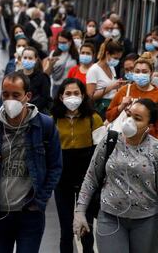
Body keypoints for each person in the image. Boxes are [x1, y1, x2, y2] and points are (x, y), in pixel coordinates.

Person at [0, 71, 62, 253]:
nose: (10, 99)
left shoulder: (44, 126)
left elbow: (55, 166)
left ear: (27, 96)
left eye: (16, 95)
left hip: (29, 214)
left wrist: (41, 200)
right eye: (5, 94)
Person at [73, 99, 158, 253]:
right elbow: (91, 178)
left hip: (147, 221)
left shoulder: (157, 149)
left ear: (149, 126)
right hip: (110, 217)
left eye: (137, 118)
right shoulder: (109, 141)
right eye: (129, 114)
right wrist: (80, 211)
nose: (129, 121)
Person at [51, 78, 105, 253]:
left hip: (87, 180)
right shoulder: (52, 120)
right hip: (62, 180)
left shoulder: (93, 119)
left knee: (86, 228)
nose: (72, 97)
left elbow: (101, 152)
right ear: (60, 96)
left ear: (83, 96)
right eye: (68, 93)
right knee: (65, 229)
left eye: (76, 93)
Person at [106, 53, 158, 147]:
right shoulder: (124, 90)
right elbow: (109, 116)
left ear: (151, 73)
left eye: (144, 72)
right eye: (137, 71)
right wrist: (121, 107)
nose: (140, 74)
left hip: (147, 145)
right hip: (123, 143)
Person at [86, 38, 124, 119]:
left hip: (113, 106)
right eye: (115, 58)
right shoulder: (94, 70)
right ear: (107, 54)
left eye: (119, 59)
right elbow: (91, 96)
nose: (117, 61)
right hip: (101, 110)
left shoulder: (111, 68)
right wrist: (111, 87)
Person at [44, 30, 79, 98]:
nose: (61, 44)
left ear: (70, 42)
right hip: (57, 86)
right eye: (59, 42)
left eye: (64, 42)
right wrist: (51, 64)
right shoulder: (54, 53)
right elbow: (47, 73)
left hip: (71, 87)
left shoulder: (75, 55)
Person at [21, 47, 52, 114]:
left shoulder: (43, 78)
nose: (27, 60)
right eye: (25, 57)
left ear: (35, 59)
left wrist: (30, 110)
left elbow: (44, 98)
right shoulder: (17, 76)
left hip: (37, 112)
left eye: (30, 58)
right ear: (21, 58)